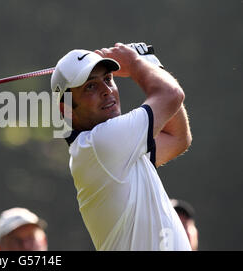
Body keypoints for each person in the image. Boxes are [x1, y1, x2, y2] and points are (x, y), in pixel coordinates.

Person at [51, 42, 192, 251]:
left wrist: (151, 65)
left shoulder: (113, 147)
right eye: (90, 86)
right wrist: (135, 62)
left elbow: (177, 138)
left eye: (108, 79)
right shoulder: (101, 143)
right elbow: (171, 95)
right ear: (67, 110)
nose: (107, 91)